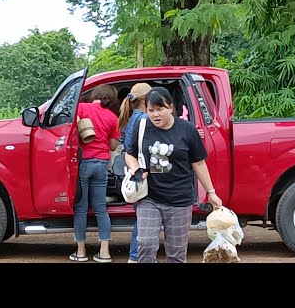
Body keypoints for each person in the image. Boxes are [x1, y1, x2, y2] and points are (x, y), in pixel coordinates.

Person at [125, 87, 223, 263]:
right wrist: (135, 169)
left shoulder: (187, 130)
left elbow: (199, 163)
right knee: (145, 244)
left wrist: (211, 192)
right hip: (149, 197)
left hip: (180, 200)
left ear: (170, 107)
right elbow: (129, 153)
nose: (155, 114)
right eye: (151, 110)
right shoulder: (142, 126)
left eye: (160, 109)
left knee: (176, 254)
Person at [70, 84, 120, 263]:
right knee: (101, 208)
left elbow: (70, 127)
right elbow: (114, 146)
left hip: (84, 163)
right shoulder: (112, 117)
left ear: (95, 94)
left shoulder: (82, 108)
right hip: (102, 164)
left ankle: (81, 252)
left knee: (81, 208)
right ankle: (104, 252)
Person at [118, 82, 152, 263]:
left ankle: (135, 256)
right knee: (144, 220)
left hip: (133, 171)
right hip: (142, 173)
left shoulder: (131, 118)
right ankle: (135, 256)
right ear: (146, 100)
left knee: (142, 217)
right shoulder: (143, 119)